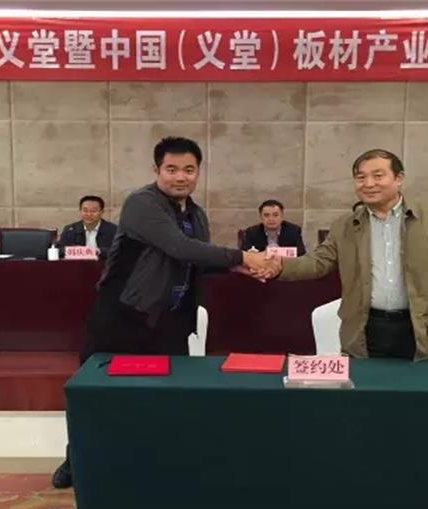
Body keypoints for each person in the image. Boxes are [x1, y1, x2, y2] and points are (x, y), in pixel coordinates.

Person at [52, 136, 270, 488]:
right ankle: (76, 463)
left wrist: (237, 267)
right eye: (172, 169)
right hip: (123, 317)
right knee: (97, 397)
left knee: (163, 399)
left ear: (198, 172)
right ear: (157, 170)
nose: (181, 176)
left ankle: (151, 464)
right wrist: (243, 256)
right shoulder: (142, 203)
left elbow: (195, 259)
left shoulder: (196, 214)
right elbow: (178, 247)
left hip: (170, 322)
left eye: (189, 169)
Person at [254, 149, 428, 361]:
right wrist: (278, 266)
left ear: (399, 178)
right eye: (361, 178)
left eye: (378, 176)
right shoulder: (345, 225)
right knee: (364, 381)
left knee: (418, 382)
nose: (368, 184)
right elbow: (318, 262)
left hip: (418, 327)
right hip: (365, 328)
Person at [240, 199, 306, 255]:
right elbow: (243, 253)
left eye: (275, 215)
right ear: (261, 217)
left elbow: (301, 252)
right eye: (266, 215)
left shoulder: (293, 230)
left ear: (282, 216)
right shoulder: (251, 232)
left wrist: (271, 252)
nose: (271, 219)